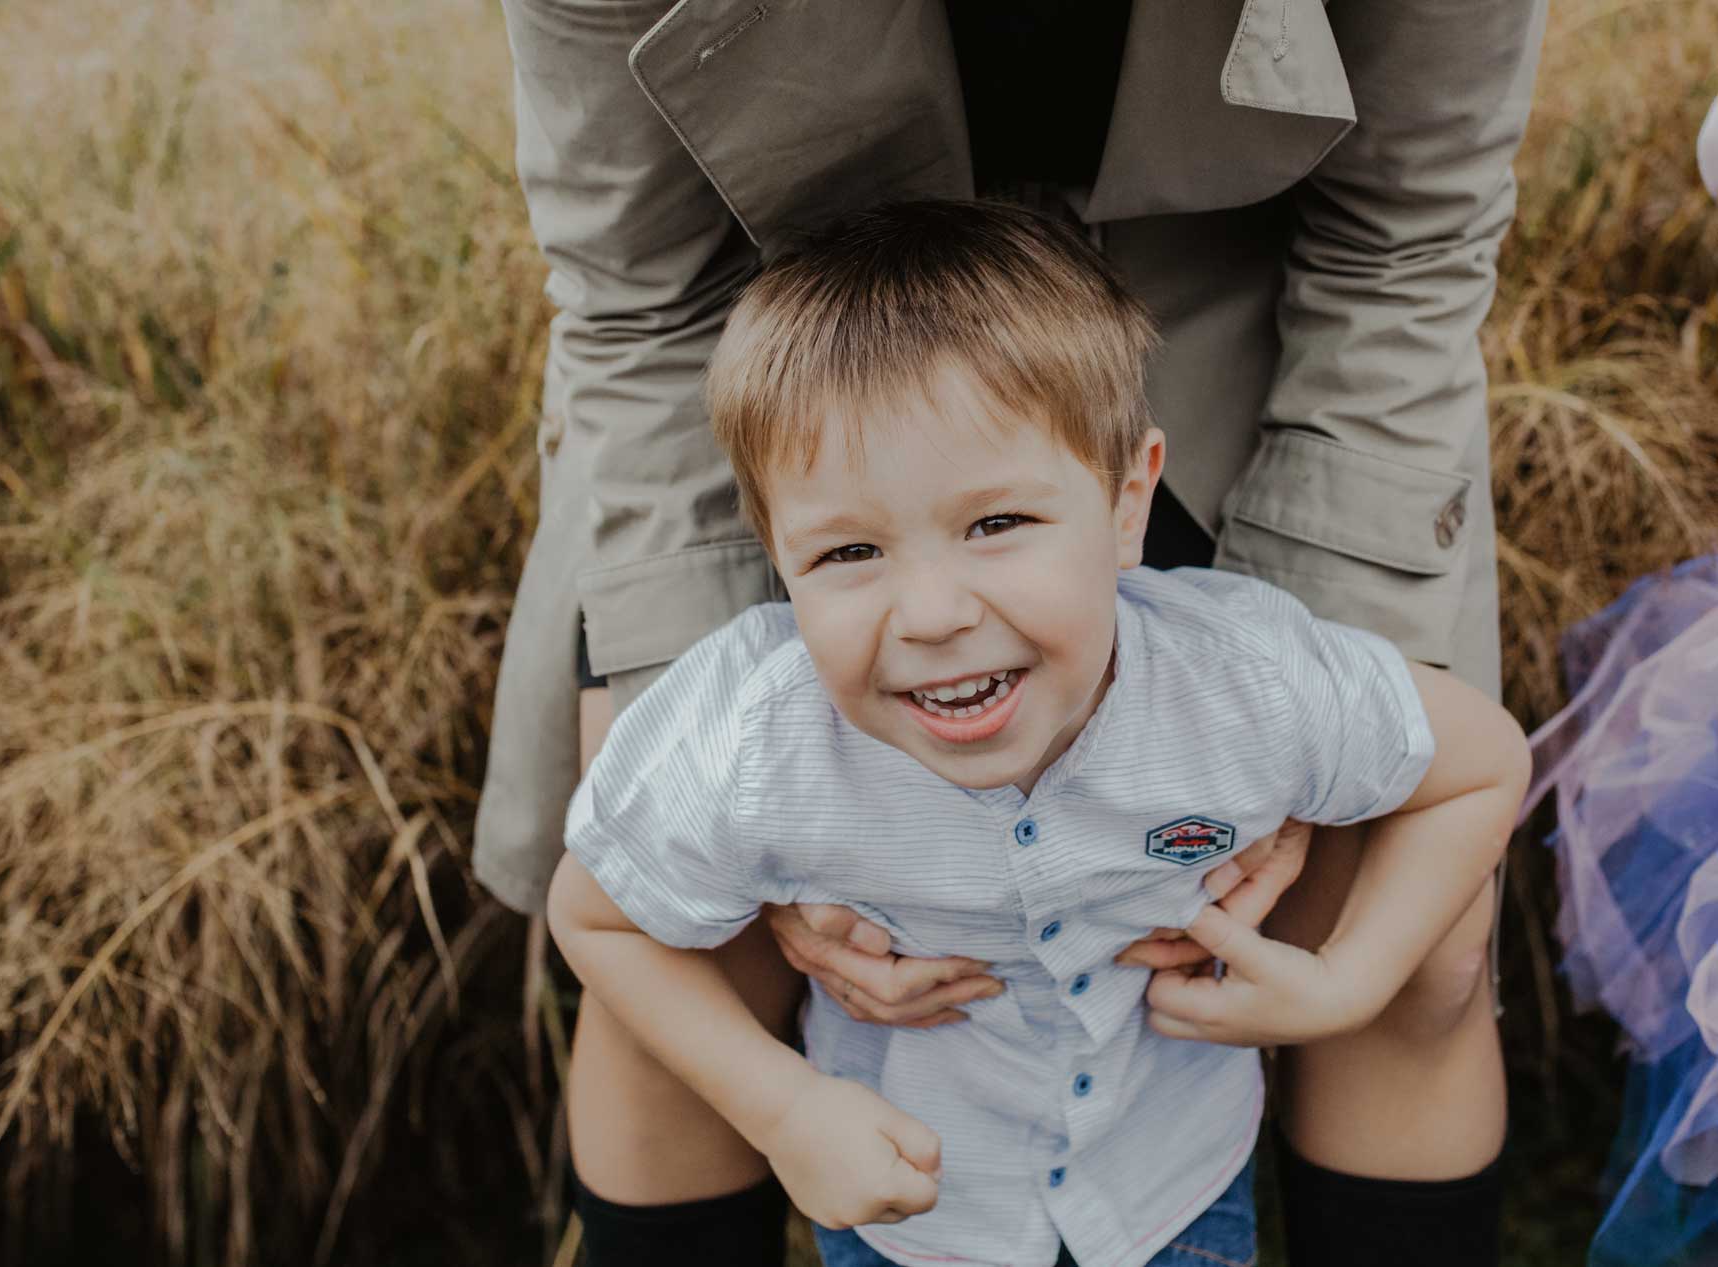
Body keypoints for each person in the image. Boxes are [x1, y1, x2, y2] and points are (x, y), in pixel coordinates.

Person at [476, 2, 1548, 1262]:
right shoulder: (778, 682)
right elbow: (634, 292)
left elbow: (1407, 237)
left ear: (1128, 492)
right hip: (792, 376)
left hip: (1231, 329)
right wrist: (680, 735)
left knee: (1417, 930)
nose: (936, 616)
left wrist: (1301, 744)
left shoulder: (1229, 660)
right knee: (685, 939)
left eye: (986, 543)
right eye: (865, 567)